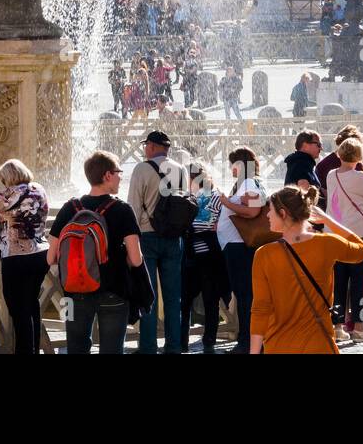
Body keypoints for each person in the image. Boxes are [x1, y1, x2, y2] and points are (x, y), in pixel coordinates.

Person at [250, 186, 363, 353]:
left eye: (270, 210)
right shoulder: (326, 244)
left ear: (283, 213)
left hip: (279, 345)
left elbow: (260, 309)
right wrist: (328, 221)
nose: (268, 215)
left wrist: (254, 352)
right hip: (319, 344)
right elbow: (362, 250)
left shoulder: (263, 255)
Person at [48, 150, 141, 354]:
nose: (120, 177)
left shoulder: (68, 208)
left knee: (75, 347)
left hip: (72, 293)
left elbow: (51, 257)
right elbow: (136, 260)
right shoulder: (123, 209)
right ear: (107, 175)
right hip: (113, 291)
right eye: (118, 172)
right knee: (112, 350)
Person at [0, 159, 50, 354]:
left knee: (18, 309)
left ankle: (24, 351)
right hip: (40, 254)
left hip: (18, 257)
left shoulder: (15, 191)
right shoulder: (39, 189)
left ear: (9, 177)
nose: (4, 185)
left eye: (4, 180)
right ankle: (33, 349)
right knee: (31, 304)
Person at [128, 129, 187, 353]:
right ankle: (174, 346)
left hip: (147, 236)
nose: (145, 149)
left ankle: (148, 347)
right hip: (174, 237)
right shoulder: (180, 169)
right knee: (174, 297)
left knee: (148, 296)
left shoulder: (142, 169)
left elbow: (133, 206)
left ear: (152, 146)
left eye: (146, 146)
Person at [326, 138, 363, 342]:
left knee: (339, 283)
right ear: (359, 157)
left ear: (339, 155)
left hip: (337, 235)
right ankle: (359, 327)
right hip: (360, 235)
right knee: (360, 282)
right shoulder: (362, 178)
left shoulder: (331, 176)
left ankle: (338, 327)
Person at [215, 146, 265, 353]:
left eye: (233, 164)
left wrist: (226, 202)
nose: (230, 168)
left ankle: (248, 342)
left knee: (245, 296)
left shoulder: (249, 183)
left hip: (239, 247)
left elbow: (253, 211)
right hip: (236, 246)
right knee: (244, 295)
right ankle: (247, 340)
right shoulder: (246, 183)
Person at [181, 162, 230, 353]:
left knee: (184, 302)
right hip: (212, 253)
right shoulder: (218, 195)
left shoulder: (186, 197)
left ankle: (181, 341)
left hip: (191, 252)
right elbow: (223, 222)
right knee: (212, 301)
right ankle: (209, 341)